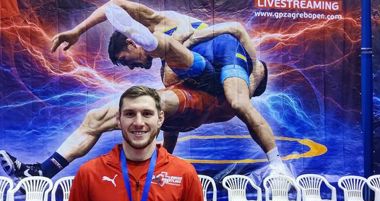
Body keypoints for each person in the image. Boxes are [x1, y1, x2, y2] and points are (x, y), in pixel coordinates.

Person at [0, 0, 291, 180]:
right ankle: (40, 171)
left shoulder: (171, 26)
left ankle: (277, 164)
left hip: (222, 77)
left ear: (131, 43)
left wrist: (253, 72)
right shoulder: (167, 72)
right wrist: (163, 159)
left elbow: (113, 5)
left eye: (129, 63)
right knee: (97, 117)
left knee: (210, 85)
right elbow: (172, 121)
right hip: (200, 89)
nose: (134, 69)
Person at [66, 85, 205, 201]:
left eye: (147, 114)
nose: (139, 122)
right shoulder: (89, 174)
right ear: (118, 120)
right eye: (130, 114)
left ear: (160, 119)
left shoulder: (184, 174)